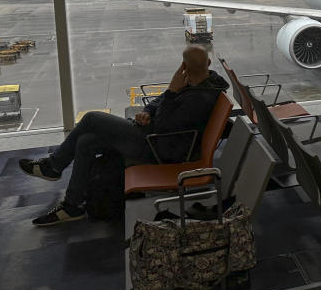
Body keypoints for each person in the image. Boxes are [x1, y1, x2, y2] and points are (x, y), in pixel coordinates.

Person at [20, 46, 229, 226]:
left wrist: (173, 92)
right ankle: (72, 205)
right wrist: (147, 112)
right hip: (152, 134)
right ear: (209, 63)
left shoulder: (199, 98)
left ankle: (53, 166)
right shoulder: (200, 82)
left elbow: (166, 128)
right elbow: (162, 101)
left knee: (92, 118)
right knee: (86, 142)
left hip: (158, 148)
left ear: (183, 65)